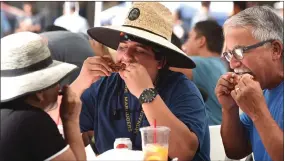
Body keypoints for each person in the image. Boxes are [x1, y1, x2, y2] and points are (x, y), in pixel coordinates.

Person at [71, 2, 210, 161]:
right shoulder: (104, 86)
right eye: (122, 47)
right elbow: (58, 134)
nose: (127, 57)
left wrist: (146, 93)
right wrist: (80, 83)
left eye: (139, 50)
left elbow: (184, 152)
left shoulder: (182, 89)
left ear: (161, 62)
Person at [0, 32, 86, 161]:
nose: (59, 87)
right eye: (55, 81)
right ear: (40, 92)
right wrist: (70, 120)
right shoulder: (32, 121)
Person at [216, 6, 283, 161]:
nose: (232, 63)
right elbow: (236, 152)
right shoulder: (262, 89)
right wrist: (229, 108)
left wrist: (257, 112)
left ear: (275, 50)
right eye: (229, 54)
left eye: (239, 52)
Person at [171, 20, 227, 125]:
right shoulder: (219, 64)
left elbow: (162, 66)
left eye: (189, 37)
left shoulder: (201, 64)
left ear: (201, 41)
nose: (185, 44)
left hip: (211, 135)